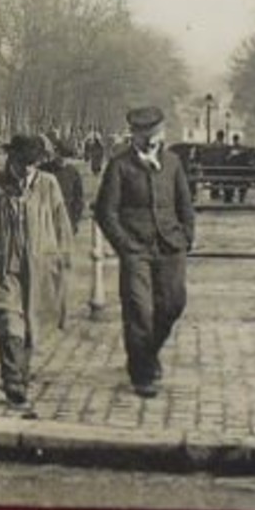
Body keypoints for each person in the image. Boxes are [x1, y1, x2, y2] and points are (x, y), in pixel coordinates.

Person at [92, 105, 196, 398]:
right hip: (136, 249)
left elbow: (185, 205)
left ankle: (146, 355)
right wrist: (125, 246)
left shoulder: (174, 163)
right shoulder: (119, 165)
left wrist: (186, 236)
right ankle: (142, 375)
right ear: (134, 135)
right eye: (144, 134)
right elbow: (106, 212)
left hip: (171, 246)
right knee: (139, 309)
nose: (151, 139)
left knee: (173, 304)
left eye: (155, 133)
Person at [0, 133, 74, 412]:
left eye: (33, 164)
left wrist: (63, 256)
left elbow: (61, 222)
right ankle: (13, 382)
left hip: (38, 266)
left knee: (29, 325)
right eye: (23, 163)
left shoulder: (48, 185)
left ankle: (20, 375)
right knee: (8, 323)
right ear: (11, 159)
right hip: (2, 266)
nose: (28, 169)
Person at [38, 134, 87, 233]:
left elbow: (78, 198)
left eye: (66, 156)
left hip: (67, 217)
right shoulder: (43, 170)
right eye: (60, 155)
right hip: (47, 217)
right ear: (56, 153)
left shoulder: (73, 172)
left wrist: (74, 220)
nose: (62, 159)